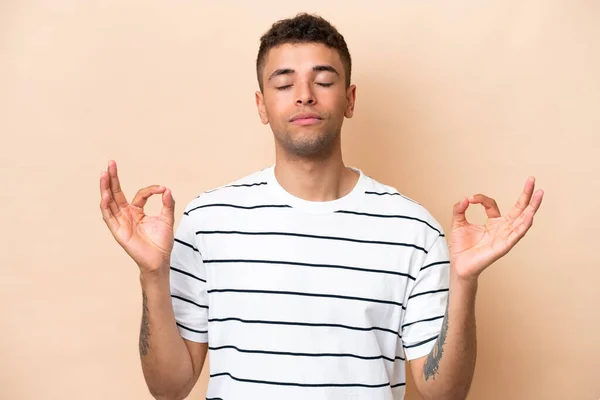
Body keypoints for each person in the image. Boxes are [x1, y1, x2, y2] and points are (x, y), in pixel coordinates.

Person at [99, 13, 543, 400]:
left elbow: (442, 392)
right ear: (261, 105)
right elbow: (168, 388)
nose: (305, 95)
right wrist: (151, 276)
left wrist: (465, 282)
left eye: (324, 80)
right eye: (284, 82)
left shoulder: (414, 230)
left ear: (349, 100)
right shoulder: (206, 222)